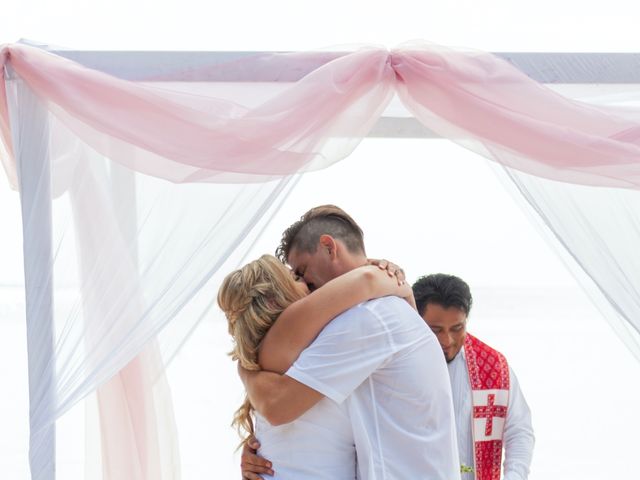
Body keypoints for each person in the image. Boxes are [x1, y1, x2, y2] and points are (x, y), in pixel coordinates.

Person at [238, 205, 460, 480]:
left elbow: (277, 405)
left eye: (302, 270)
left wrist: (244, 366)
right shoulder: (383, 307)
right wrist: (268, 450)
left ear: (329, 247)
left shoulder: (366, 318)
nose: (305, 285)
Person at [218, 254, 414, 479]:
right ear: (274, 300)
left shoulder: (266, 363)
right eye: (296, 277)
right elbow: (366, 281)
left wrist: (245, 370)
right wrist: (396, 283)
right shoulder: (308, 348)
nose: (309, 284)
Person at [412, 273, 534, 480]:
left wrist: (514, 475)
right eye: (436, 330)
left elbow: (519, 430)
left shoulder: (494, 367)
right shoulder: (395, 365)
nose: (447, 340)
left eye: (457, 328)